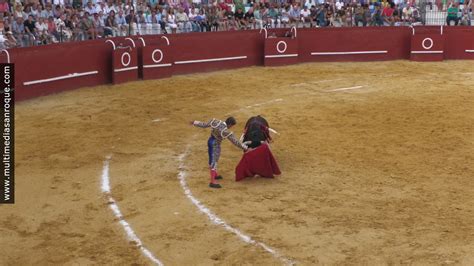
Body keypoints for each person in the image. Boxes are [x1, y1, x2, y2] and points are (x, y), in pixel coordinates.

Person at [191, 117, 248, 188]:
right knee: (214, 161)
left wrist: (194, 122)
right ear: (230, 124)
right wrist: (245, 148)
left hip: (210, 141)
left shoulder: (215, 121)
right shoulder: (225, 131)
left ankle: (215, 174)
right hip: (215, 144)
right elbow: (236, 142)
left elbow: (204, 124)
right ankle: (212, 182)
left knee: (211, 158)